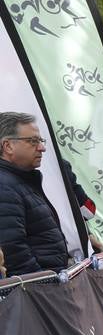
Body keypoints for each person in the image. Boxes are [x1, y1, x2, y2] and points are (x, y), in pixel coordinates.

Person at [0, 112, 69, 275]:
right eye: (33, 141)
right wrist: (44, 285)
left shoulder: (21, 180)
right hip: (39, 293)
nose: (42, 148)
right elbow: (13, 250)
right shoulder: (4, 185)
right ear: (8, 146)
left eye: (41, 141)